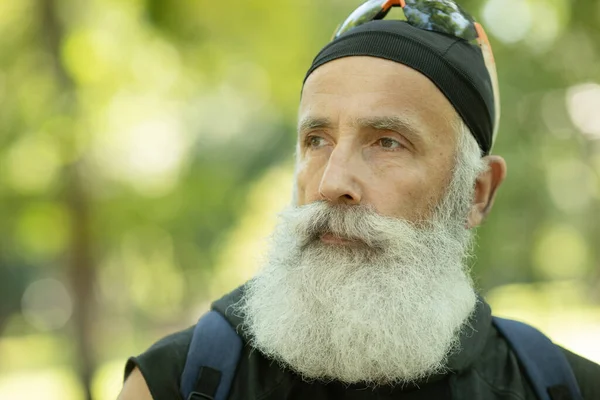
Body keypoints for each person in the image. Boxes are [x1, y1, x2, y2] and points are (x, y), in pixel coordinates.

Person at [118, 1, 600, 399]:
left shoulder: (560, 387)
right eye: (317, 140)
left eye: (388, 142)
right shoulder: (176, 383)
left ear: (476, 193)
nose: (332, 183)